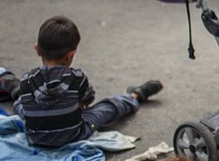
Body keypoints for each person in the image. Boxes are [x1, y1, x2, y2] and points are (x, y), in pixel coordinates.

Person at [13, 15, 163, 148]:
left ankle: (11, 87)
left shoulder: (26, 79)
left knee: (21, 103)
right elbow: (87, 100)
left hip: (35, 138)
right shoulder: (77, 77)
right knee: (106, 108)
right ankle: (134, 96)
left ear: (37, 49)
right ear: (70, 55)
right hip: (73, 135)